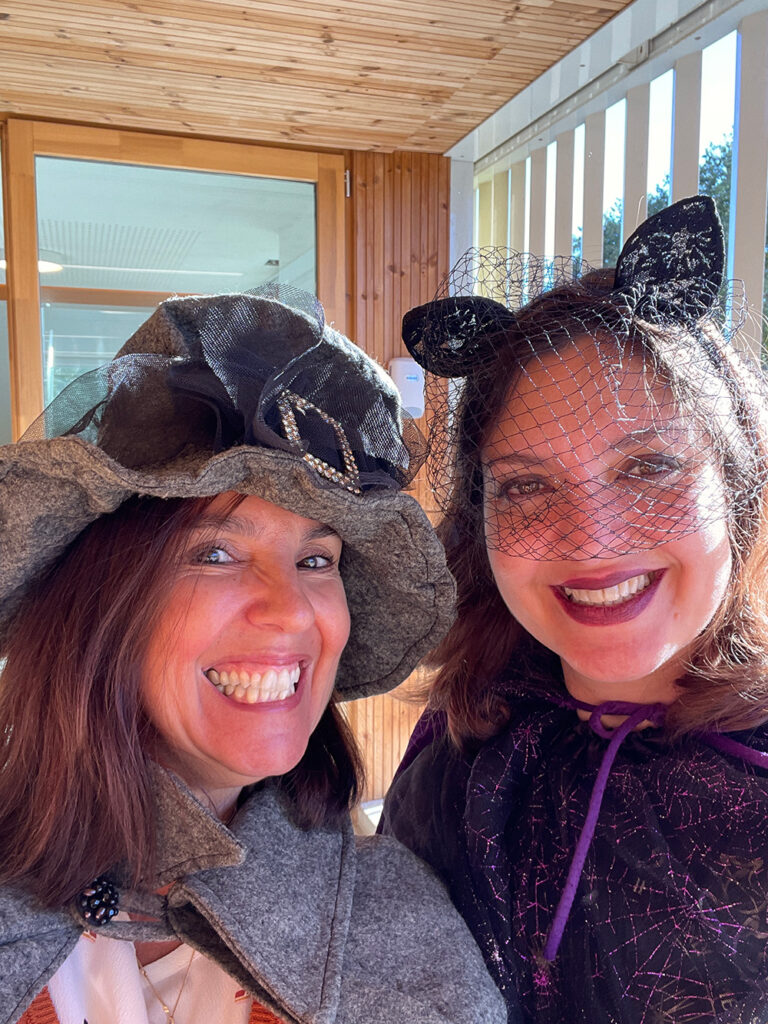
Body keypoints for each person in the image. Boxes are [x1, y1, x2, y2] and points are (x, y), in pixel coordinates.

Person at [0, 287, 505, 1024]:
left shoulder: (403, 934)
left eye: (316, 560)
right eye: (216, 553)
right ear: (100, 604)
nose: (292, 611)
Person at [380, 196, 768, 1023]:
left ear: (736, 485)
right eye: (527, 486)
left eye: (648, 467)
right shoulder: (452, 762)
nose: (592, 541)